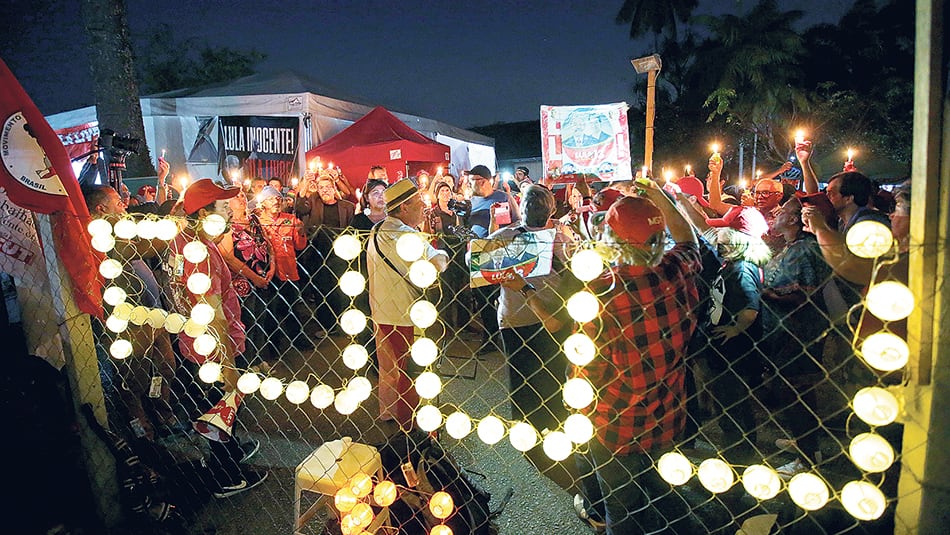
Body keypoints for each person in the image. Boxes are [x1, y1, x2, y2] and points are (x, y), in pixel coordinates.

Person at [573, 180, 702, 534]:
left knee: (622, 511)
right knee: (665, 498)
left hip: (616, 426)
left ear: (611, 239)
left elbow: (586, 371)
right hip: (668, 418)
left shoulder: (601, 294)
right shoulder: (677, 271)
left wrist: (578, 412)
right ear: (660, 239)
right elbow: (689, 238)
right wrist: (657, 194)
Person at [162, 178, 268, 498]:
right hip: (214, 344)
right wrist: (227, 363)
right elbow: (214, 313)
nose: (229, 215)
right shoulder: (201, 255)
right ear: (204, 213)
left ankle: (231, 451)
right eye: (222, 208)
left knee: (219, 406)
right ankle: (226, 475)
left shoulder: (180, 242)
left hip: (191, 340)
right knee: (222, 402)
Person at [492, 185, 580, 485]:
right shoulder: (563, 239)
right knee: (552, 373)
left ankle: (527, 430)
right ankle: (551, 423)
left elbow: (474, 264)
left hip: (517, 319)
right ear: (551, 211)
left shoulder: (505, 238)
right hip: (550, 317)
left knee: (522, 375)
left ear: (522, 207)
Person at [82, 185, 179, 441]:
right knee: (132, 380)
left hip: (153, 313)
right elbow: (147, 248)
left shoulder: (123, 231)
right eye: (117, 202)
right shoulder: (100, 236)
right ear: (101, 208)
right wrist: (174, 222)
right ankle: (142, 429)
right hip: (128, 319)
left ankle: (163, 414)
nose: (124, 206)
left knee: (165, 366)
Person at [759, 196, 833, 477]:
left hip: (797, 335)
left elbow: (805, 293)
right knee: (792, 394)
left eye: (783, 211)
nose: (776, 213)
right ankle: (804, 441)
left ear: (793, 220)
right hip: (782, 333)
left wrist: (765, 293)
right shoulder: (790, 246)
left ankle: (808, 457)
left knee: (797, 394)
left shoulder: (806, 249)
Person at [367, 179, 448, 431]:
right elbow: (437, 265)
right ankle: (410, 425)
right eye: (418, 203)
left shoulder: (376, 231)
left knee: (389, 367)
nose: (424, 207)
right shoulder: (408, 235)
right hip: (406, 313)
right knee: (410, 371)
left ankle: (389, 413)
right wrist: (443, 254)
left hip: (380, 311)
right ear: (403, 208)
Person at [217, 188, 278, 367]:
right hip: (242, 284)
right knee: (247, 323)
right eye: (236, 197)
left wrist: (272, 266)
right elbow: (228, 256)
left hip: (263, 278)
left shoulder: (253, 219)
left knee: (261, 319)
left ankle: (259, 360)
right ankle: (246, 365)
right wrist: (253, 277)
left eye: (242, 195)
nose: (241, 198)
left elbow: (266, 243)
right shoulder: (227, 225)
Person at [295, 171, 357, 335]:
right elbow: (300, 208)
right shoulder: (313, 203)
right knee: (322, 292)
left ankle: (345, 324)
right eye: (321, 187)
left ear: (334, 187)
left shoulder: (347, 207)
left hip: (341, 257)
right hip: (318, 255)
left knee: (342, 292)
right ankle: (326, 326)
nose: (325, 190)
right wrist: (305, 185)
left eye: (328, 186)